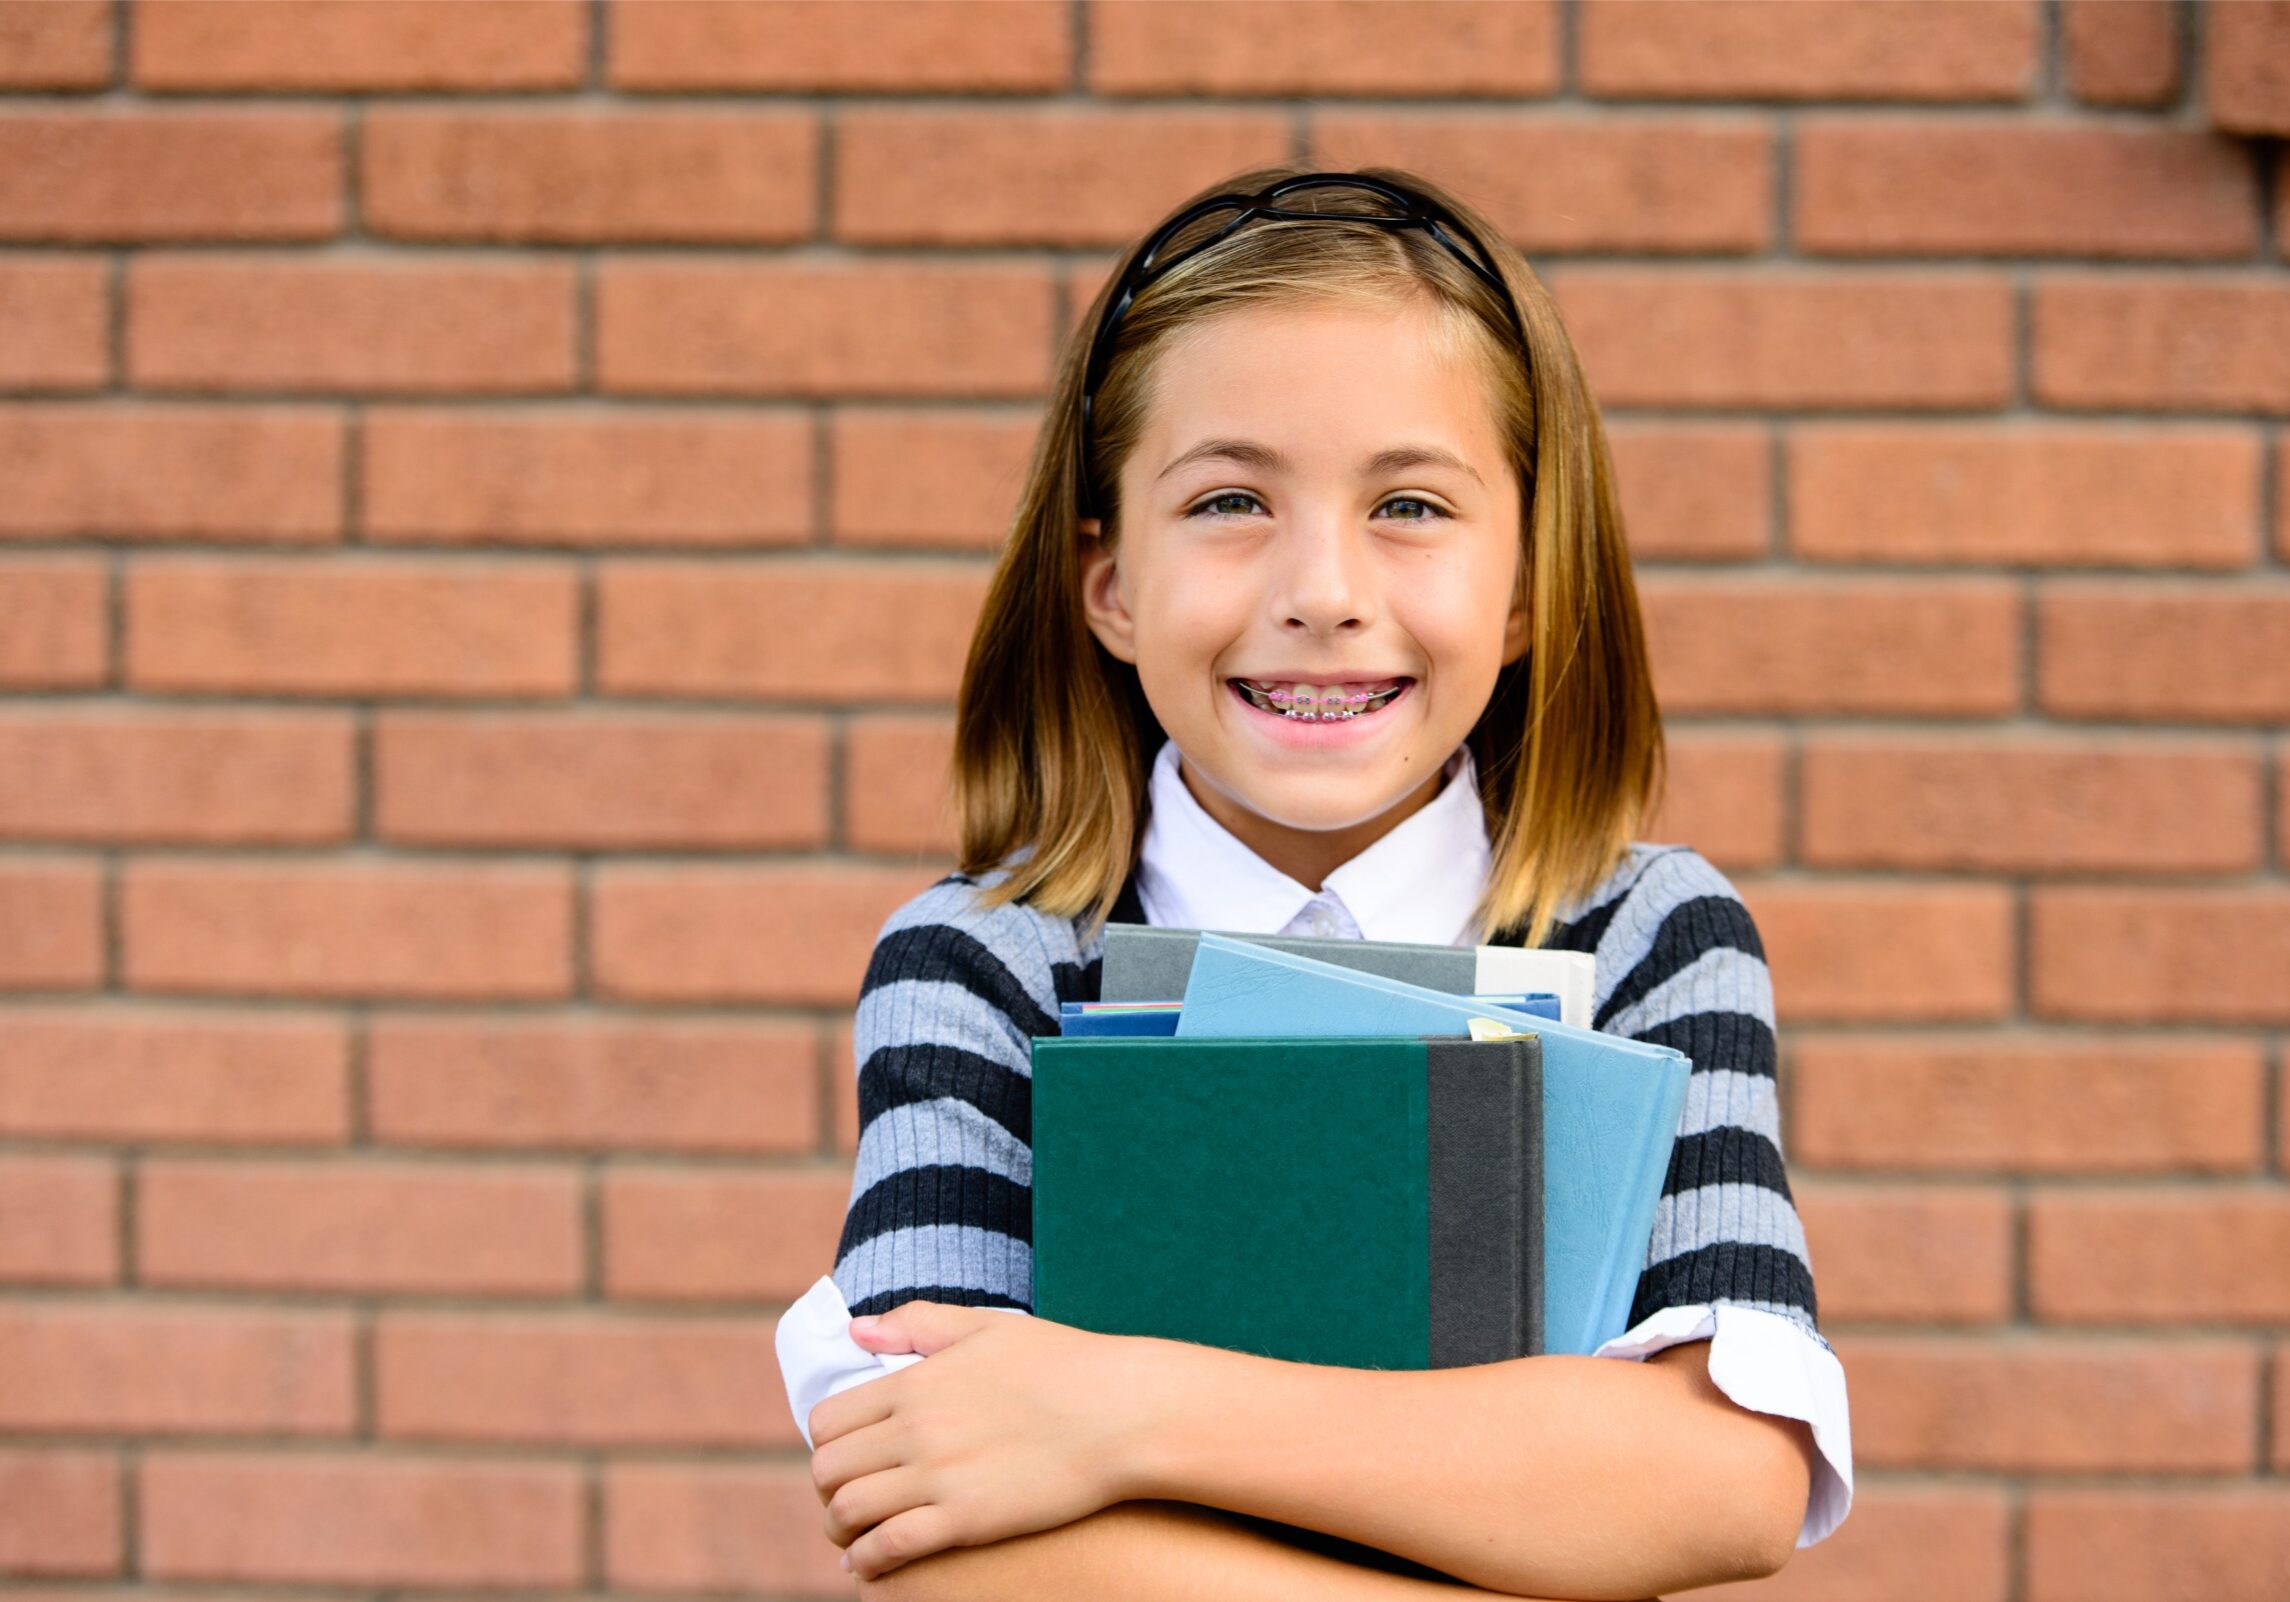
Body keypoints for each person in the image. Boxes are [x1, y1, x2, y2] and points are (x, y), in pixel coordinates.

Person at [780, 164, 1853, 1601]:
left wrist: (1119, 1411)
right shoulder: (982, 964)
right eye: (1229, 498)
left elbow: (1725, 1479)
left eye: (1409, 503)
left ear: (1527, 581)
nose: (1323, 588)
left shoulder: (1648, 934)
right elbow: (939, 1530)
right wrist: (1551, 1498)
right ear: (1107, 582)